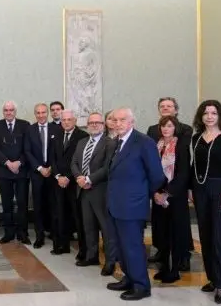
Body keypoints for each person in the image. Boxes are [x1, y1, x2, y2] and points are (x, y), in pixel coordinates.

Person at [105, 108, 165, 301]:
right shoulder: (117, 142)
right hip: (115, 204)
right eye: (115, 120)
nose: (118, 123)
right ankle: (128, 278)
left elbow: (156, 175)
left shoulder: (144, 142)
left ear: (132, 122)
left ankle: (141, 285)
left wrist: (142, 195)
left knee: (132, 246)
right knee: (121, 246)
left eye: (123, 120)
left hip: (132, 205)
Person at [190, 100, 221, 304]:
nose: (209, 116)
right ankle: (212, 278)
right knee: (205, 235)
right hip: (200, 189)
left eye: (213, 112)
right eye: (206, 112)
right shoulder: (196, 138)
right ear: (200, 116)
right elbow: (194, 166)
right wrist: (190, 189)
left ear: (220, 115)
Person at [146, 96, 194, 269]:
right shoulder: (152, 130)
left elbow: (184, 159)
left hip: (177, 184)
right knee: (159, 221)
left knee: (179, 221)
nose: (165, 108)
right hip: (158, 184)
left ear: (176, 109)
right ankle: (162, 250)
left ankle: (183, 255)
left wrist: (171, 190)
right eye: (162, 106)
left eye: (169, 106)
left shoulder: (185, 129)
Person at [70, 112, 116, 276]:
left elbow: (107, 167)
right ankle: (91, 256)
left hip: (100, 191)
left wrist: (89, 179)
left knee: (106, 228)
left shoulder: (109, 143)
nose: (94, 125)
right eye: (91, 122)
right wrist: (79, 179)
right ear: (87, 125)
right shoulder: (82, 142)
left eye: (98, 122)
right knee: (88, 226)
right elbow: (74, 162)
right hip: (83, 191)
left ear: (103, 125)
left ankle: (110, 262)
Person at [0, 101, 31, 244]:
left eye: (11, 110)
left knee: (22, 202)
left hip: (21, 170)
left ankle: (22, 233)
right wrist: (7, 163)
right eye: (6, 110)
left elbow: (28, 147)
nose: (8, 112)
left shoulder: (25, 125)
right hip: (4, 170)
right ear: (3, 112)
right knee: (6, 203)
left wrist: (19, 162)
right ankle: (8, 232)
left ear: (15, 111)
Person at [49, 110, 88, 256]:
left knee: (78, 216)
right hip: (58, 182)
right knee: (60, 214)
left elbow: (82, 161)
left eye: (69, 119)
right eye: (63, 120)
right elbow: (52, 158)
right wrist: (58, 176)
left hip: (75, 182)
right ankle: (62, 245)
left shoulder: (83, 136)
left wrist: (68, 177)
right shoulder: (56, 135)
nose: (66, 122)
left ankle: (83, 250)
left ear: (75, 120)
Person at [24, 103, 55, 248]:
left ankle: (55, 233)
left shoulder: (56, 128)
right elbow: (27, 151)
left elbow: (58, 151)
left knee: (54, 204)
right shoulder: (29, 130)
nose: (41, 115)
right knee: (38, 205)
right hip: (37, 173)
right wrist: (40, 168)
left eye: (43, 112)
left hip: (53, 173)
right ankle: (39, 235)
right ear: (35, 114)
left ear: (47, 113)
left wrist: (51, 168)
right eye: (38, 113)